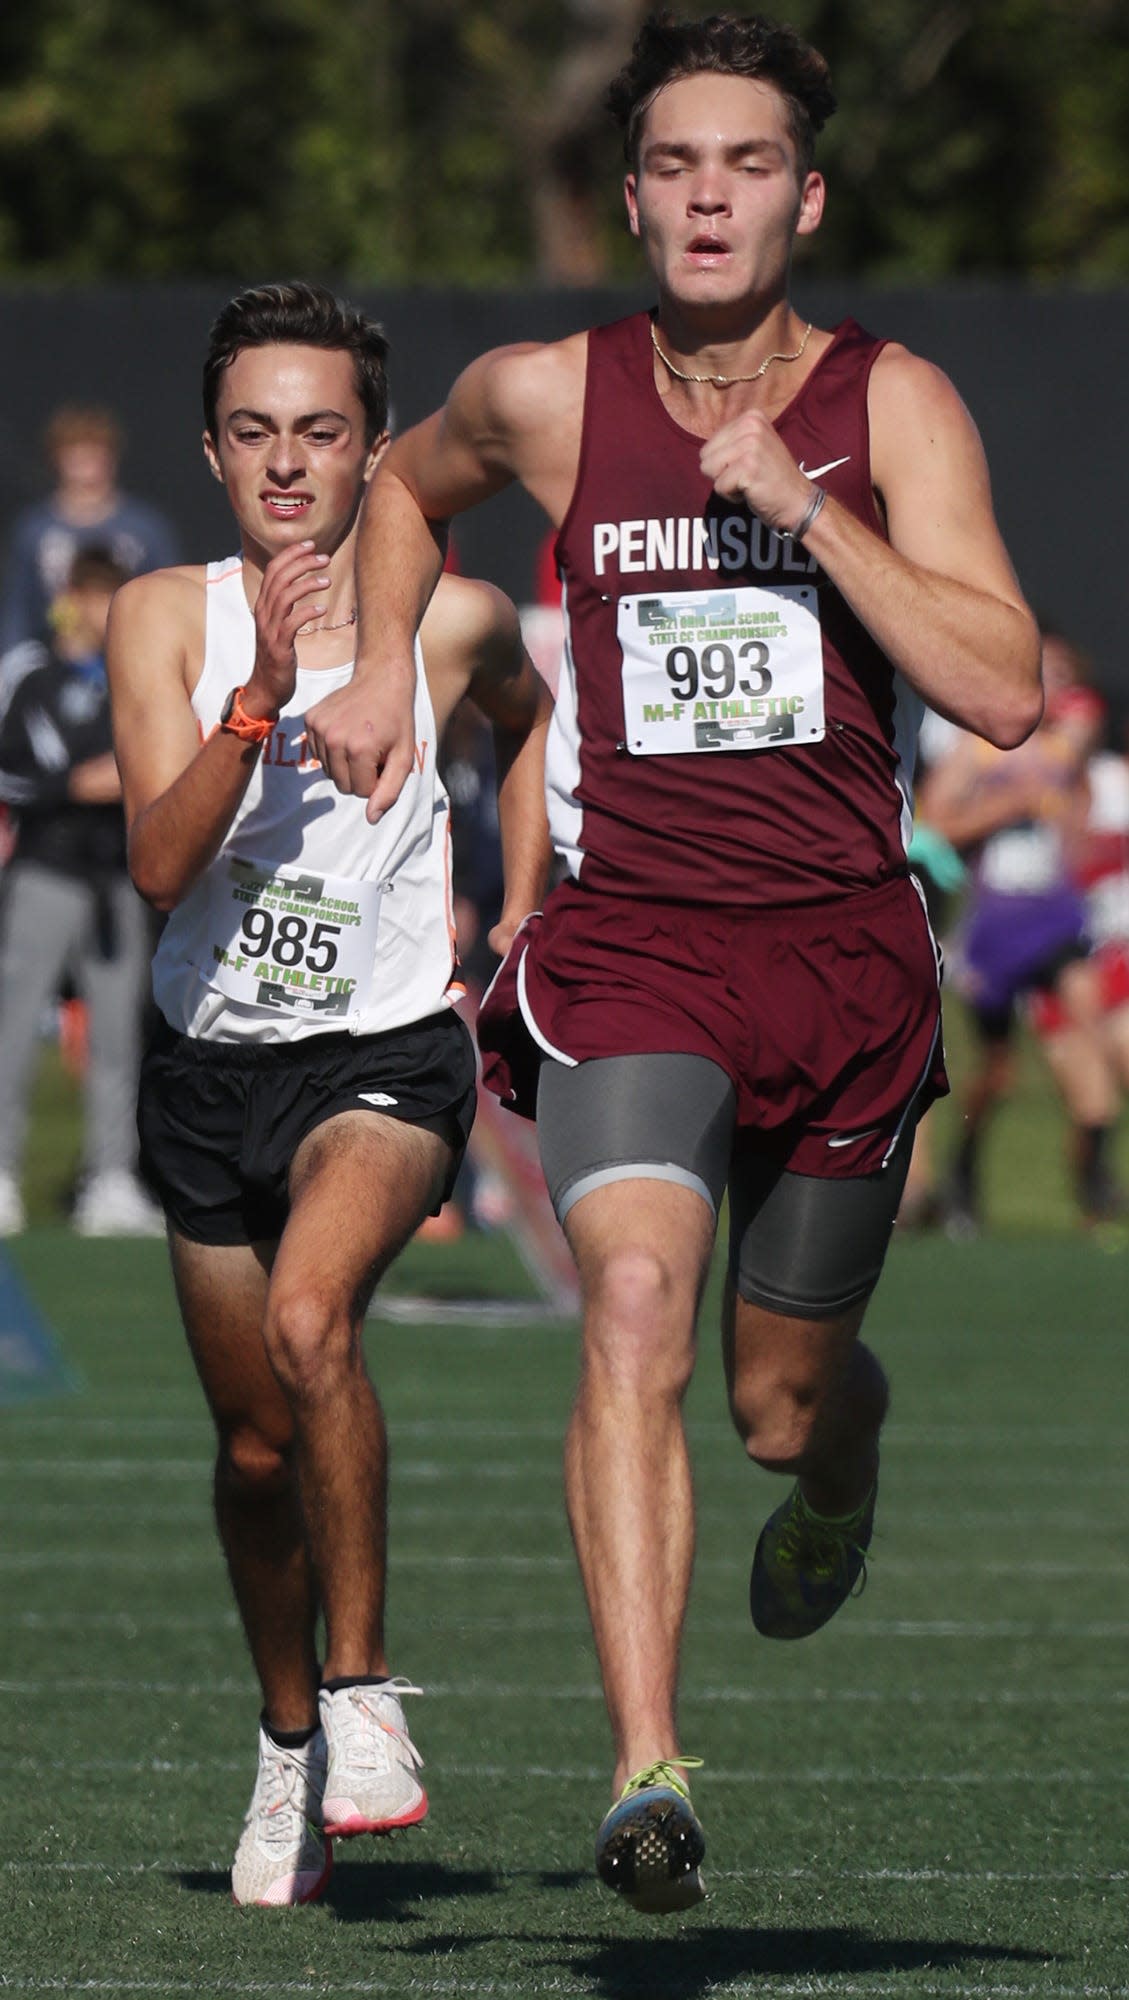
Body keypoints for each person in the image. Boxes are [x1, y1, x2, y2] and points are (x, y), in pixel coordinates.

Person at [303, 14, 1042, 1915]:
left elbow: (999, 688)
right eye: (673, 165)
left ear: (804, 194)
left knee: (776, 1403)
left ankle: (841, 1465)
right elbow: (396, 487)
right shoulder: (548, 396)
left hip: (842, 969)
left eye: (745, 165)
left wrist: (805, 515)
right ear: (627, 197)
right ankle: (647, 1771)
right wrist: (388, 657)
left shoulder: (894, 406)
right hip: (633, 950)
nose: (707, 196)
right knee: (629, 1304)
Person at [106, 282, 551, 1907]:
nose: (286, 463)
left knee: (314, 1325)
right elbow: (160, 863)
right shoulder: (161, 615)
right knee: (246, 1454)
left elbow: (525, 719)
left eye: (320, 431)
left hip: (380, 1055)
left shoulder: (447, 616)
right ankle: (285, 1742)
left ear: (374, 446)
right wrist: (257, 699)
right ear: (210, 450)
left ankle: (365, 1699)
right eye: (252, 432)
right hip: (209, 1066)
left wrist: (519, 908)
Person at [917, 626, 1118, 1232]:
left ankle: (1096, 1184)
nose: (1055, 686)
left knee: (1089, 1013)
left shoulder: (1066, 752)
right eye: (1044, 672)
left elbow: (1078, 809)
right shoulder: (978, 750)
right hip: (996, 929)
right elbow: (933, 825)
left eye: (1064, 674)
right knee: (995, 1074)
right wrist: (1009, 806)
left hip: (1055, 918)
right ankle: (960, 1178)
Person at [0, 548, 164, 1238]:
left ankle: (110, 1178)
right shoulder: (31, 674)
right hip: (46, 871)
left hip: (117, 877)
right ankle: (2, 1172)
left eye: (112, 598)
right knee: (14, 1025)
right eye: (92, 597)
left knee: (118, 1034)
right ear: (69, 598)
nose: (102, 613)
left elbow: (153, 764)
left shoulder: (137, 677)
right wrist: (74, 783)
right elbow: (15, 774)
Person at [1, 405, 180, 655]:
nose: (86, 467)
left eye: (94, 455)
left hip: (129, 653)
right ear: (57, 459)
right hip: (54, 659)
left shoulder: (144, 528)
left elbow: (168, 600)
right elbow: (18, 609)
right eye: (76, 456)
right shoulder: (35, 529)